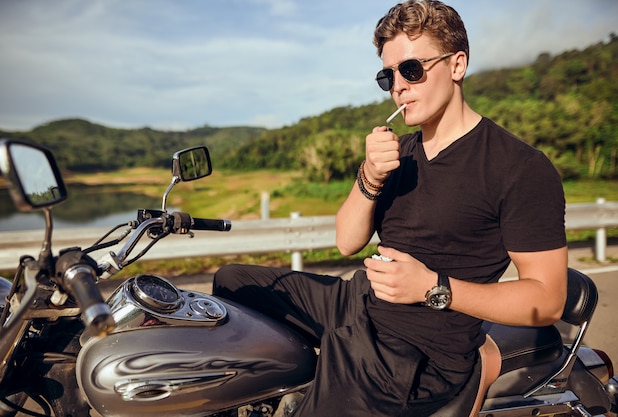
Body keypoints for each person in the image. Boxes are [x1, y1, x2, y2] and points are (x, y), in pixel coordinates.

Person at [213, 1, 568, 416]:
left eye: (412, 69)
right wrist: (369, 175)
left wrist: (432, 287)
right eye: (388, 75)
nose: (399, 85)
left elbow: (547, 300)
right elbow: (347, 242)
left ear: (457, 65)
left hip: (414, 349)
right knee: (232, 285)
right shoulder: (399, 152)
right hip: (356, 301)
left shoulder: (518, 167)